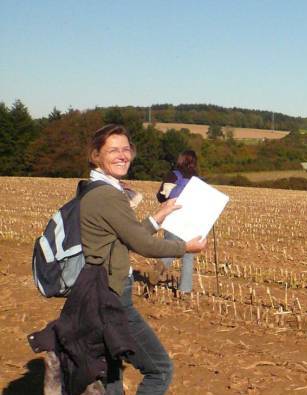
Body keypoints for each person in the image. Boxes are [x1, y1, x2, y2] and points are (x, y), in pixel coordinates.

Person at [79, 124, 207, 394]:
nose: (122, 155)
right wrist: (185, 247)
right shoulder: (107, 195)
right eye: (113, 150)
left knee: (112, 374)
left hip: (98, 293)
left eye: (126, 149)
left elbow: (126, 235)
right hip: (113, 297)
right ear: (96, 155)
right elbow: (143, 244)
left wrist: (157, 217)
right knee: (160, 369)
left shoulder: (99, 189)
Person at [156, 150, 200, 294]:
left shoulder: (174, 174)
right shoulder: (198, 179)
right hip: (192, 219)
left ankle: (158, 270)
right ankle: (185, 291)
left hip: (173, 215)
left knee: (170, 247)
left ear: (180, 160)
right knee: (188, 255)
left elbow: (160, 196)